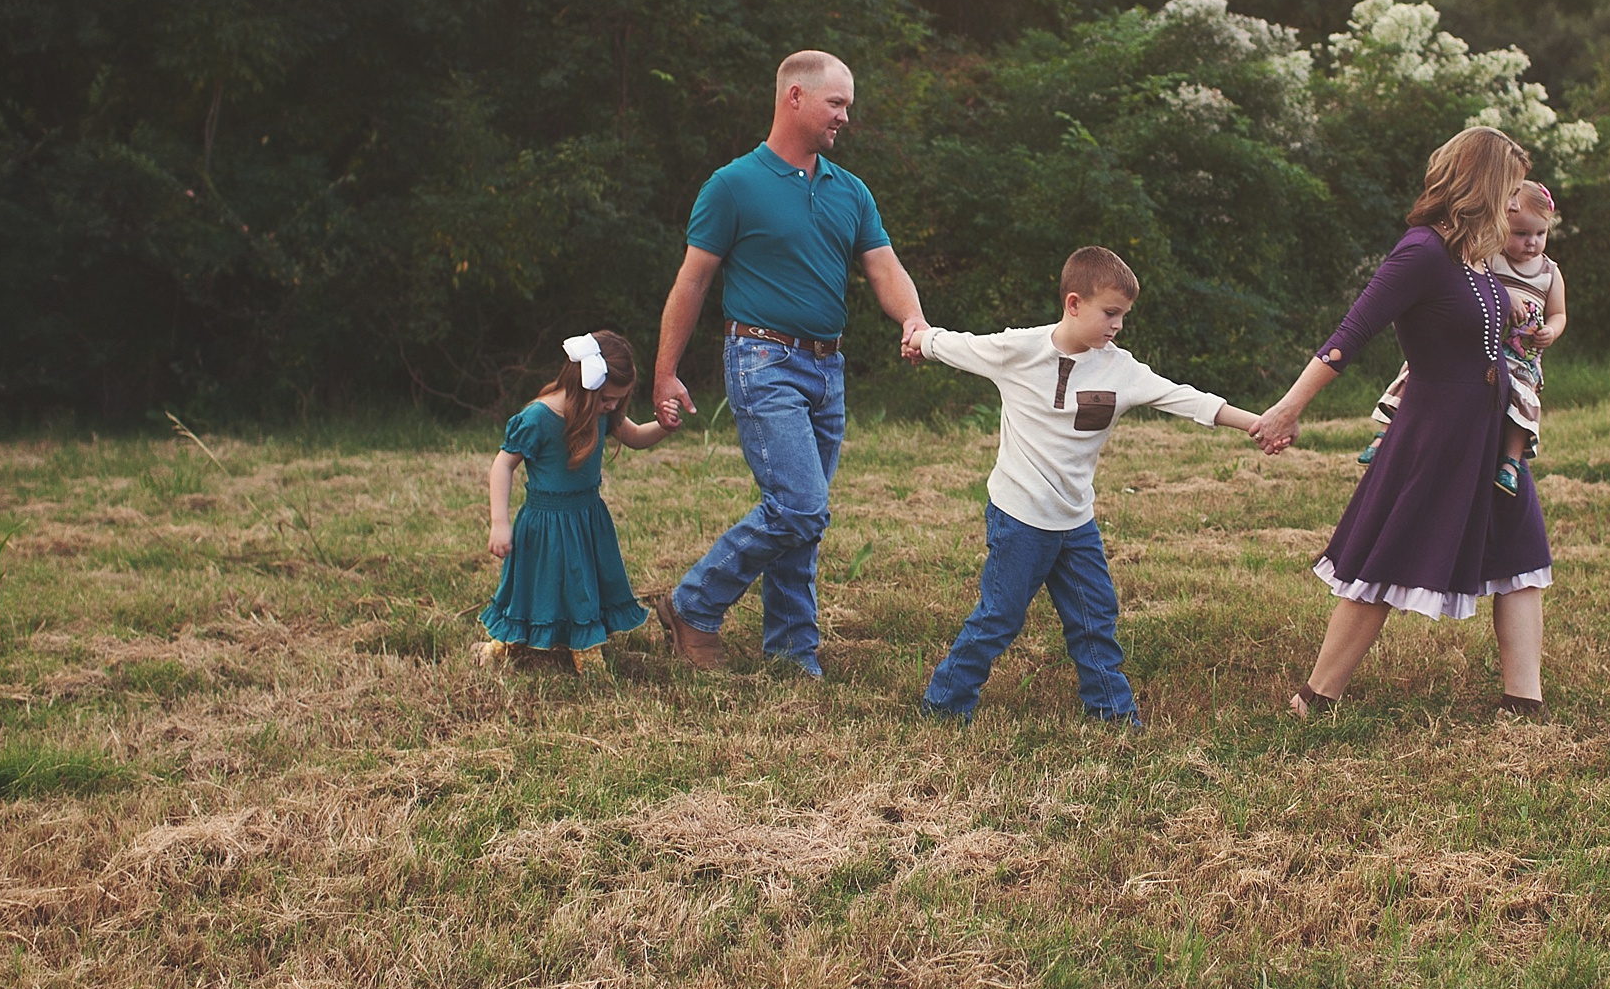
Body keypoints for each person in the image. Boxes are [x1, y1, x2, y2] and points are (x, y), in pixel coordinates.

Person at [1253, 126, 1553, 719]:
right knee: (1384, 560)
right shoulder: (1422, 252)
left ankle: (1525, 702)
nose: (1517, 205)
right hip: (1434, 434)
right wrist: (1289, 406)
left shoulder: (1477, 259)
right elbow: (1351, 333)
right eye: (1510, 190)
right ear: (1484, 186)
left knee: (1520, 557)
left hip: (1490, 437)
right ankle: (1315, 699)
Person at [645, 51, 930, 676]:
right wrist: (664, 372)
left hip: (827, 368)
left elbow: (884, 266)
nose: (845, 117)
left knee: (803, 515)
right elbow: (691, 283)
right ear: (794, 98)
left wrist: (914, 320)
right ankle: (694, 604)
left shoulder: (849, 190)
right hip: (761, 358)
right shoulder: (732, 185)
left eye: (848, 106)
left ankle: (793, 651)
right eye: (837, 104)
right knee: (801, 505)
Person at [907, 246, 1264, 724]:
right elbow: (956, 345)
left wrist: (1258, 424)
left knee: (1095, 617)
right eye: (1110, 313)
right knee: (999, 617)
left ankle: (1112, 713)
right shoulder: (1020, 349)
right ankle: (945, 704)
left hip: (1076, 520)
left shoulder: (1121, 369)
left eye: (1124, 316)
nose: (1117, 326)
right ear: (1074, 303)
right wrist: (920, 339)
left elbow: (1187, 399)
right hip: (1020, 517)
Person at [479, 331, 676, 674]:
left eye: (618, 400)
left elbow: (634, 436)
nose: (612, 407)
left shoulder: (601, 410)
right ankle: (506, 643)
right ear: (582, 383)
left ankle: (583, 642)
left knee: (583, 581)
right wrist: (499, 522)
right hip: (545, 523)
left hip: (586, 517)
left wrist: (662, 426)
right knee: (534, 586)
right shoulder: (538, 418)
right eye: (608, 399)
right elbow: (503, 465)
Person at [1355, 180, 1566, 496]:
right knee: (1417, 373)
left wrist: (1553, 329)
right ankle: (1385, 435)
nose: (1531, 243)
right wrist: (1505, 295)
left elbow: (1559, 313)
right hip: (1476, 347)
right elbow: (1480, 286)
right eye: (1521, 234)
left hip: (1520, 356)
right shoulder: (1491, 258)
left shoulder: (1550, 271)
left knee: (1522, 401)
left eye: (1540, 233)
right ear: (1502, 227)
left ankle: (1510, 463)